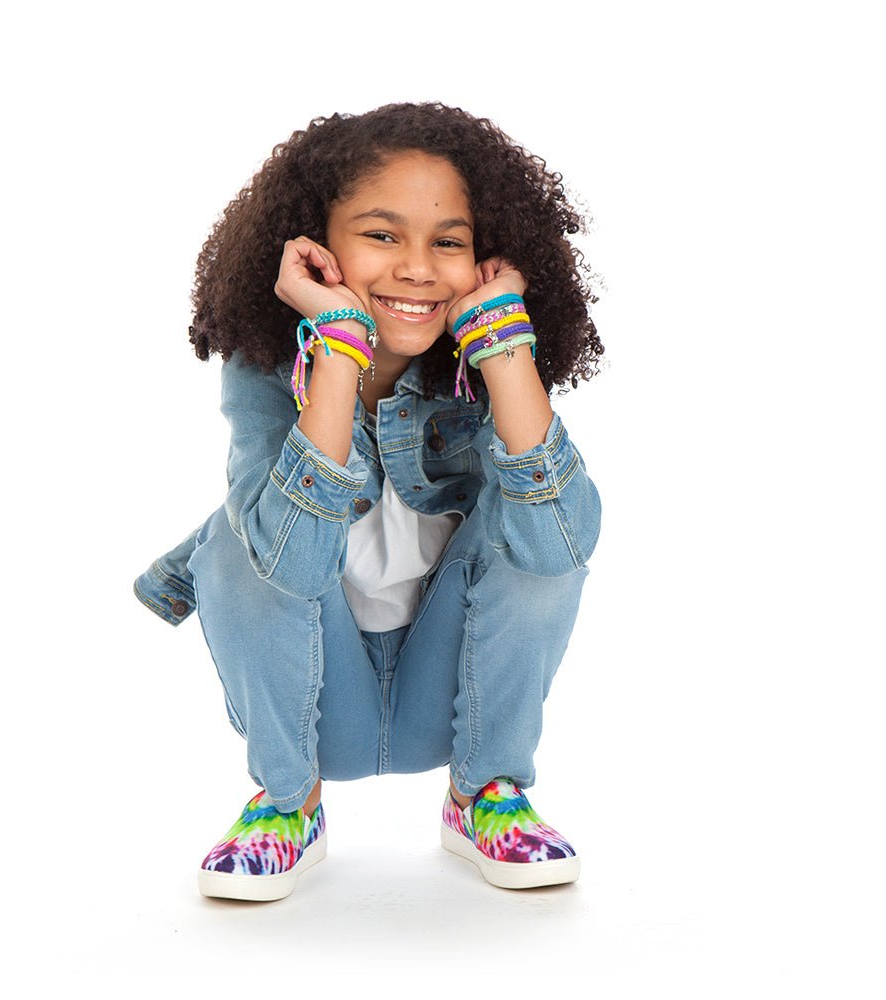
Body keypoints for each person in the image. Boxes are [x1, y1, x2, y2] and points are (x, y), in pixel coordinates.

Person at [133, 102, 605, 901]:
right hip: (321, 704)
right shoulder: (262, 368)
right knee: (238, 542)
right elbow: (287, 564)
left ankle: (486, 797)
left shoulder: (489, 360)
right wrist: (340, 347)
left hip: (452, 699)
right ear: (315, 245)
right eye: (383, 235)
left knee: (530, 525)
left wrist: (502, 343)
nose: (417, 268)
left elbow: (560, 545)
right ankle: (289, 806)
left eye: (447, 242)